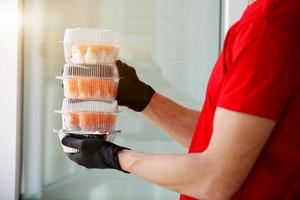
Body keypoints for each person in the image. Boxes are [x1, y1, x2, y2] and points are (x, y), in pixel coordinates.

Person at [61, 0, 300, 199]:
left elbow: (214, 178)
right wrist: (144, 99)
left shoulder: (269, 25)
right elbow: (229, 141)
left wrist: (115, 157)